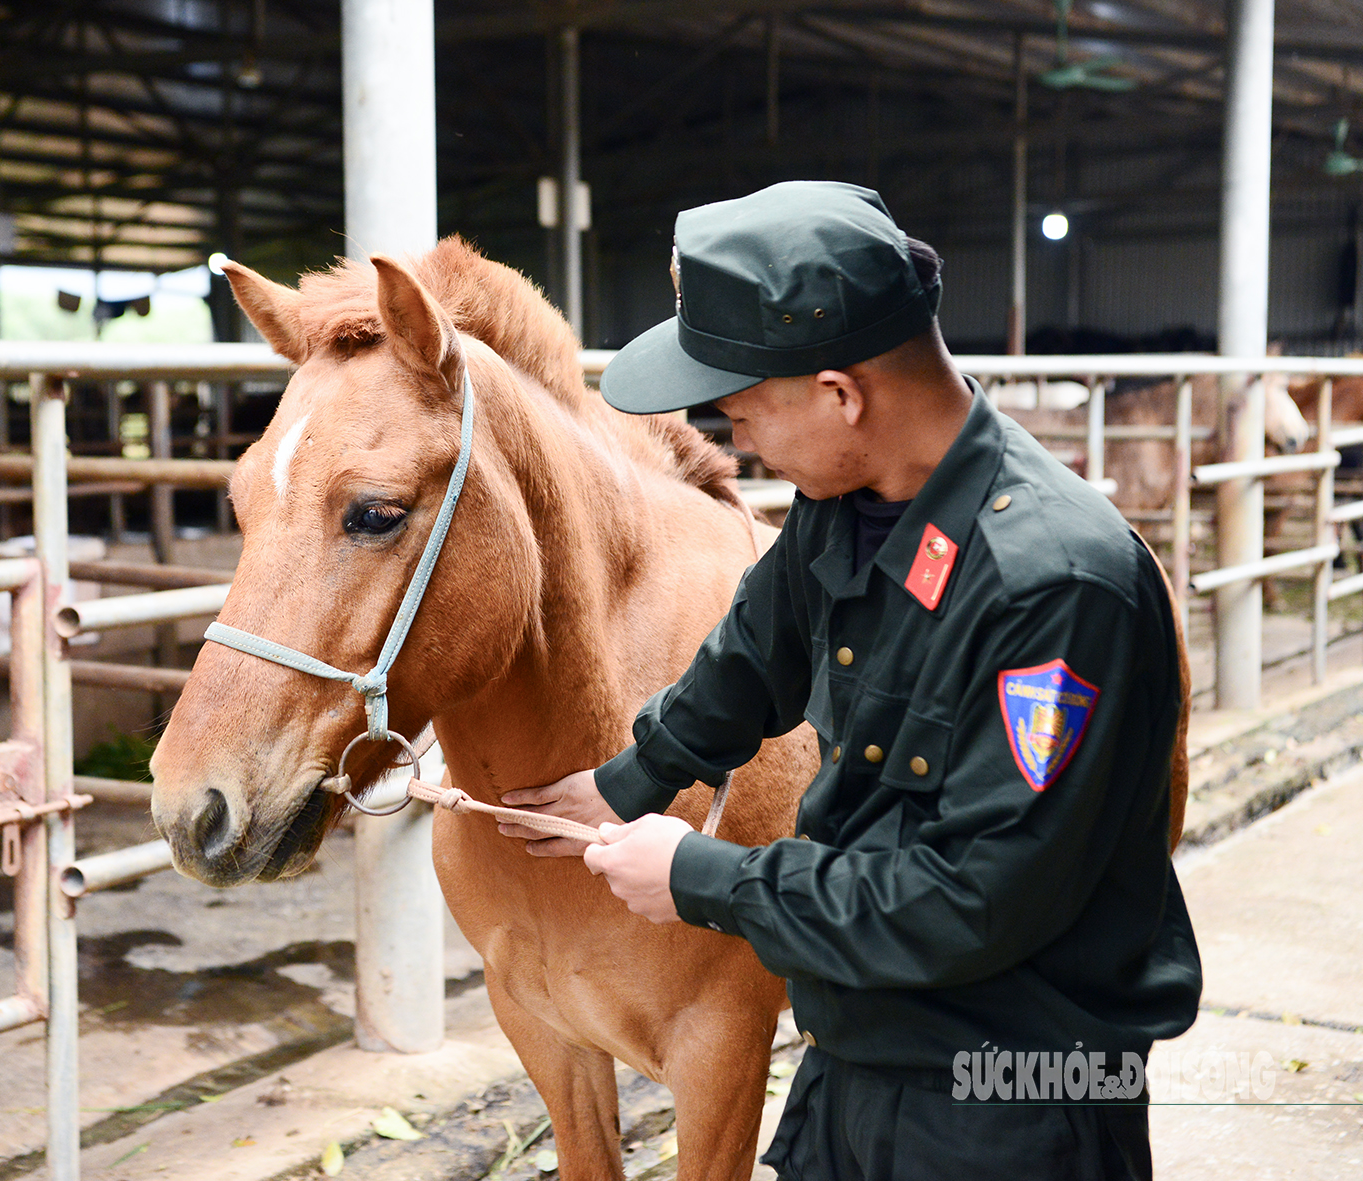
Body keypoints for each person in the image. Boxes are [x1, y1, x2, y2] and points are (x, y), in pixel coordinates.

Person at [497, 181, 1201, 1180]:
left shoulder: (1053, 585)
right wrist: (625, 779)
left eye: (742, 414)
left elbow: (971, 896)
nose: (738, 441)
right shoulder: (849, 494)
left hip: (1009, 1087)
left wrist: (700, 876)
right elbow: (752, 652)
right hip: (858, 1045)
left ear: (839, 393)